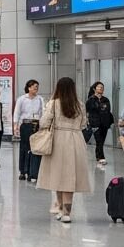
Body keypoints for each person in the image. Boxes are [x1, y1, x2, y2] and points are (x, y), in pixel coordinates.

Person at [39, 77, 91, 224]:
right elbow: (83, 124)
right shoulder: (79, 104)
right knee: (71, 175)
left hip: (58, 140)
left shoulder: (53, 103)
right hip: (76, 139)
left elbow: (44, 122)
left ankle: (61, 209)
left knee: (58, 174)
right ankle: (67, 212)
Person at [13, 80, 45, 183]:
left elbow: (43, 113)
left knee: (34, 148)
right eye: (34, 87)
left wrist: (43, 125)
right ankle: (23, 171)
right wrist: (15, 126)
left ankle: (32, 171)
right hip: (25, 124)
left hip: (36, 125)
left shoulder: (40, 99)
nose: (36, 89)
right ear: (29, 88)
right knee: (24, 147)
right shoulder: (22, 99)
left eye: (37, 87)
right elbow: (17, 112)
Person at [85, 81, 113, 166]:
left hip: (104, 123)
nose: (101, 88)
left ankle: (98, 156)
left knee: (101, 141)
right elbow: (88, 111)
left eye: (102, 87)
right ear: (94, 89)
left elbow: (107, 110)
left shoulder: (106, 100)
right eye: (99, 87)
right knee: (99, 140)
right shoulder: (91, 100)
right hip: (95, 123)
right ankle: (101, 157)